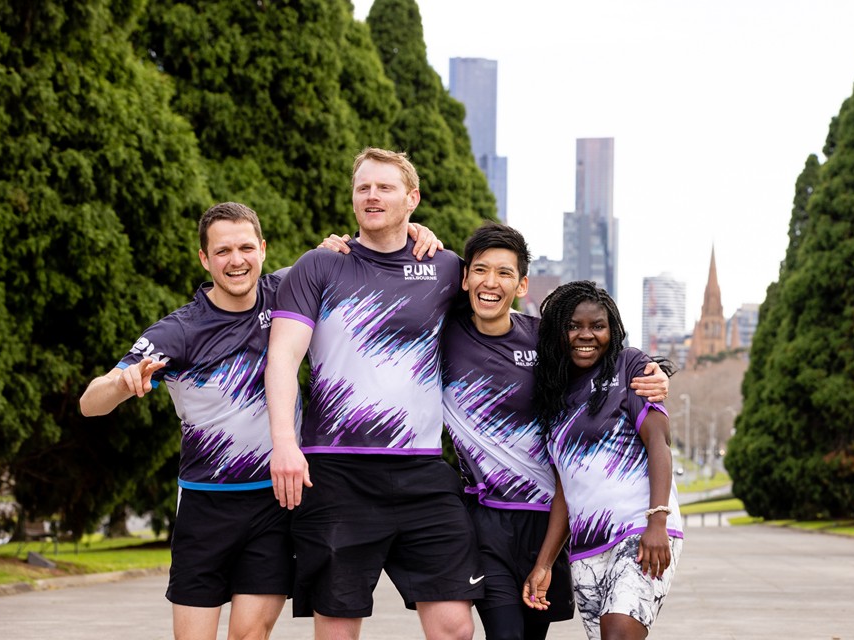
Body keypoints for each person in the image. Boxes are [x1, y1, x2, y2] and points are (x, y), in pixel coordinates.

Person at [79, 201, 439, 640]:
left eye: (246, 247)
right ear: (204, 259)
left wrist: (417, 232)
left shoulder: (288, 289)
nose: (236, 261)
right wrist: (121, 384)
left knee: (249, 635)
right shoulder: (180, 331)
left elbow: (372, 247)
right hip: (205, 505)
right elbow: (89, 403)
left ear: (263, 249)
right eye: (223, 251)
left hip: (274, 503)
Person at [265, 148, 482, 640]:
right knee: (338, 628)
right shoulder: (318, 266)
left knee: (455, 627)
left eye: (385, 187)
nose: (372, 196)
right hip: (336, 472)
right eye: (363, 187)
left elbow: (504, 320)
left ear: (413, 198)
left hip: (422, 470)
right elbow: (282, 358)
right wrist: (284, 443)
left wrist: (641, 366)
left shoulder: (447, 268)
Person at [441, 224, 670, 640]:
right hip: (486, 519)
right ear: (465, 278)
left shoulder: (548, 341)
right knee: (504, 632)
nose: (491, 282)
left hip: (551, 520)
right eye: (481, 270)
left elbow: (604, 359)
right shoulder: (443, 333)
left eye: (505, 273)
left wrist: (656, 374)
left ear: (521, 284)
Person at [527, 281, 683, 640]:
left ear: (611, 330)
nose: (586, 335)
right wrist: (545, 564)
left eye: (597, 326)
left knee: (618, 634)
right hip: (586, 551)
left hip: (640, 532)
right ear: (559, 332)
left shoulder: (630, 367)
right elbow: (566, 492)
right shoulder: (553, 399)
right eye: (574, 326)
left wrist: (657, 521)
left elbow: (659, 443)